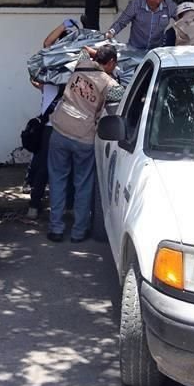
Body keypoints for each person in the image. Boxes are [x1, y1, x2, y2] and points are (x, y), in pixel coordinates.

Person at [47, 45, 124, 243]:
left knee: (57, 180)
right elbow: (122, 98)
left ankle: (56, 229)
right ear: (111, 63)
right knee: (82, 184)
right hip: (84, 138)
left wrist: (95, 51)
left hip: (60, 131)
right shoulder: (110, 84)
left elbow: (83, 49)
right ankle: (78, 232)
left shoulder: (81, 64)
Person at [26, 18, 79, 218]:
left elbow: (47, 44)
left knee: (43, 166)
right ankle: (69, 206)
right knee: (70, 167)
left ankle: (34, 205)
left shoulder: (50, 66)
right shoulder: (77, 67)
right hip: (70, 126)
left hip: (50, 126)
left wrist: (64, 25)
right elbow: (48, 44)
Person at [105, 0, 177, 50]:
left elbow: (182, 20)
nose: (158, 0)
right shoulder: (136, 4)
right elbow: (121, 23)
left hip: (156, 52)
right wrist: (110, 34)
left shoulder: (169, 5)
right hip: (134, 49)